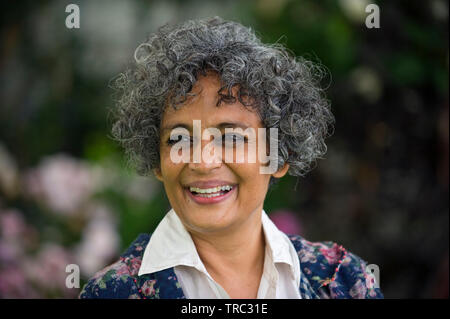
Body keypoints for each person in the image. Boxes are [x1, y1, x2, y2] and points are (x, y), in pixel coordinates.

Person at [79, 16, 383, 299]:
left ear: (278, 155)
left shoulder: (344, 281)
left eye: (232, 137)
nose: (203, 161)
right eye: (179, 139)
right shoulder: (112, 292)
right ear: (157, 160)